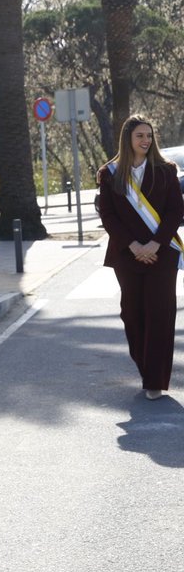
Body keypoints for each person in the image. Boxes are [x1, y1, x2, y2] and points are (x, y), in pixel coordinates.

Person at [95, 114, 184, 400]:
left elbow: (175, 212)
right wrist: (134, 246)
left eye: (149, 135)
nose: (145, 140)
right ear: (128, 139)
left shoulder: (166, 170)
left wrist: (155, 245)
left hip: (162, 254)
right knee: (132, 314)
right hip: (126, 254)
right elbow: (107, 215)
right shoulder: (110, 174)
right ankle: (147, 367)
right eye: (140, 136)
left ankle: (154, 380)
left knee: (160, 313)